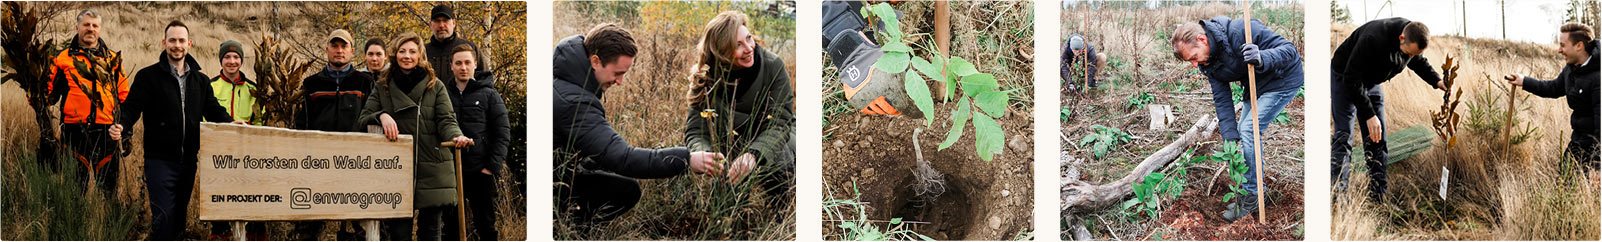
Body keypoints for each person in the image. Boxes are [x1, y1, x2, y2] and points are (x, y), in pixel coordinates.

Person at [552, 23, 725, 228]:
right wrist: (687, 159)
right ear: (596, 61)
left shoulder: (564, 77)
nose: (620, 82)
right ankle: (568, 227)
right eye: (617, 73)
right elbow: (623, 158)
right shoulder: (575, 103)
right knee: (625, 190)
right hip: (549, 184)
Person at [109, 20, 241, 240]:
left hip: (189, 160)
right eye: (172, 40)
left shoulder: (201, 80)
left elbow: (213, 109)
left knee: (179, 218)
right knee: (163, 218)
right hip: (159, 161)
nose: (177, 45)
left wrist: (231, 123)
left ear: (189, 43)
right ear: (164, 42)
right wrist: (121, 125)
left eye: (181, 40)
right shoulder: (147, 76)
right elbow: (132, 107)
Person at [1169, 16, 1304, 221]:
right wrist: (1229, 134)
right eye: (1191, 61)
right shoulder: (1210, 63)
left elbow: (1289, 50)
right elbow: (1222, 100)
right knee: (1240, 131)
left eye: (1194, 57)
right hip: (1255, 86)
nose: (1195, 65)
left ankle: (1253, 195)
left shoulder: (1241, 30)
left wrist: (1261, 56)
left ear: (1202, 39)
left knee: (1249, 129)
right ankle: (1255, 186)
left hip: (1282, 80)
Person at [359, 33, 475, 241]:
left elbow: (446, 120)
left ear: (420, 54)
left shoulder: (435, 85)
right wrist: (381, 116)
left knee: (430, 232)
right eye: (402, 51)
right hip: (396, 169)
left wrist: (457, 136)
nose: (407, 56)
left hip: (431, 166)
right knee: (399, 233)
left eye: (412, 51)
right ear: (395, 54)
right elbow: (363, 118)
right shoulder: (383, 86)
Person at [684, 11, 797, 210]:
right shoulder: (705, 77)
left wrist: (754, 155)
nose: (749, 48)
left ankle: (781, 213)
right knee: (727, 200)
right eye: (737, 45)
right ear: (721, 51)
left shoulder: (773, 66)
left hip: (772, 138)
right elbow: (696, 131)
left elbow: (781, 123)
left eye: (748, 38)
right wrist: (705, 154)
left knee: (782, 157)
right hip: (729, 145)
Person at [1329, 17, 1441, 203]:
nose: (1409, 57)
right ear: (1401, 38)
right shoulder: (1373, 38)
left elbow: (1418, 61)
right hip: (1346, 78)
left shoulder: (1412, 35)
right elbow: (1352, 78)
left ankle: (1377, 195)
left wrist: (1437, 81)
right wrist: (1369, 115)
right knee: (1344, 135)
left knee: (1377, 137)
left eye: (1413, 54)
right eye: (1408, 53)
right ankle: (1339, 198)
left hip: (1371, 82)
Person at [46, 9, 130, 195]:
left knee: (109, 191)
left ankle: (109, 223)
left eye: (94, 25)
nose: (90, 29)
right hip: (74, 132)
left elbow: (125, 99)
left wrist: (125, 131)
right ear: (77, 27)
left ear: (100, 29)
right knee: (75, 191)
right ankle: (76, 222)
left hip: (107, 132)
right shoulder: (63, 58)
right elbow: (48, 97)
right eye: (86, 25)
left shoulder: (112, 59)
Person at [1504, 23, 1600, 182]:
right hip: (1578, 141)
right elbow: (1553, 88)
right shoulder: (1571, 68)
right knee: (1564, 183)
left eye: (1563, 45)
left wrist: (1598, 166)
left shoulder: (1598, 78)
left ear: (1579, 46)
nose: (1559, 50)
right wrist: (1525, 81)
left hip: (1595, 147)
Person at [443, 44, 508, 240]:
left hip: (481, 171)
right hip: (451, 171)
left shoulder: (489, 94)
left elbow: (502, 133)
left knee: (486, 225)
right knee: (451, 227)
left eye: (467, 63)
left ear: (475, 65)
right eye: (459, 63)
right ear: (451, 66)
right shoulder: (443, 94)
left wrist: (491, 167)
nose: (463, 67)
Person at [206, 39, 268, 241]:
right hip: (220, 153)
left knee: (251, 196)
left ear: (241, 61)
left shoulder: (253, 89)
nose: (231, 61)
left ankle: (255, 234)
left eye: (236, 57)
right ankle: (220, 233)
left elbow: (260, 119)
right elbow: (204, 117)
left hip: (249, 153)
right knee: (221, 196)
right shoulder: (211, 86)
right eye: (227, 57)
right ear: (221, 60)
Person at [296, 29, 375, 133]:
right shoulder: (311, 84)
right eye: (334, 46)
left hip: (355, 146)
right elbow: (302, 123)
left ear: (352, 51)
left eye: (344, 46)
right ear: (327, 49)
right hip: (319, 146)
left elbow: (371, 118)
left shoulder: (365, 82)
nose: (339, 50)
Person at [426, 4, 486, 83]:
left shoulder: (469, 48)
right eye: (437, 21)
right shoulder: (423, 52)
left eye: (445, 20)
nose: (441, 25)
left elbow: (485, 78)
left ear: (454, 23)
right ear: (430, 25)